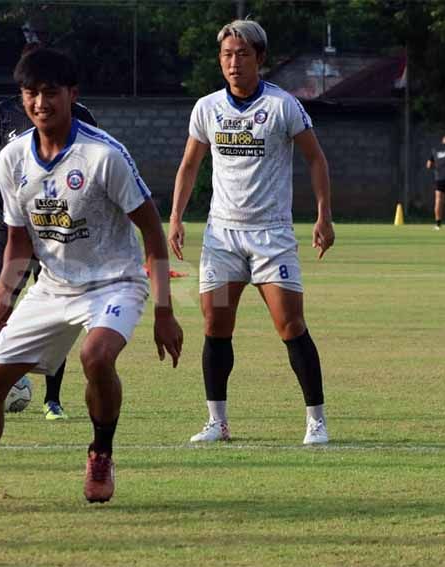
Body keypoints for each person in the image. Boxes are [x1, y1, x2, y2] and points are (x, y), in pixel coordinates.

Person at [0, 47, 183, 505]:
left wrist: (164, 312)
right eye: (31, 93)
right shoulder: (11, 160)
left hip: (114, 282)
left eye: (50, 92)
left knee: (96, 357)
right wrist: (5, 291)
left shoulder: (104, 156)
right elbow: (19, 239)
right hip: (52, 286)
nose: (40, 103)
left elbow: (152, 231)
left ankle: (100, 454)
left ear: (71, 94)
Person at [168, 20, 333, 446]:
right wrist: (175, 217)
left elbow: (316, 160)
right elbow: (189, 165)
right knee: (215, 324)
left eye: (242, 54)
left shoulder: (284, 106)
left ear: (260, 58)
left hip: (270, 237)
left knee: (290, 324)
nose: (233, 62)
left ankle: (316, 421)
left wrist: (323, 215)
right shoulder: (206, 108)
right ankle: (217, 422)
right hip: (222, 238)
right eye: (226, 54)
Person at [0, 42, 98, 421]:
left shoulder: (80, 114)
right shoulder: (4, 113)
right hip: (14, 231)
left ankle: (51, 400)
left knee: (58, 317)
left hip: (60, 234)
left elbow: (95, 165)